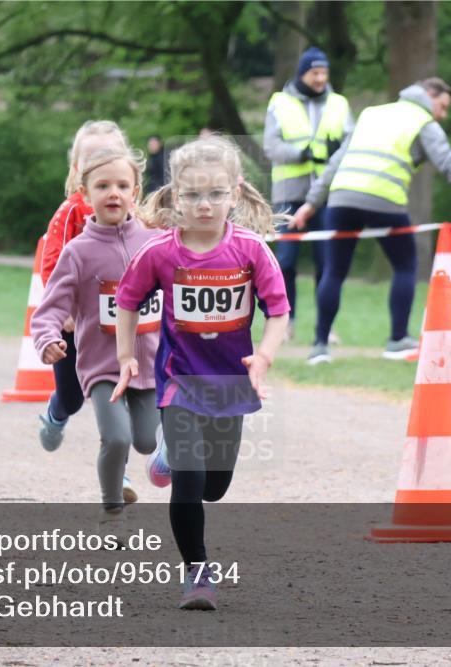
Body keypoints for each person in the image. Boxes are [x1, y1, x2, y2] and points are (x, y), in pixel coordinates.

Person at [111, 135, 290, 611]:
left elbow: (279, 310)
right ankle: (198, 573)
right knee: (191, 481)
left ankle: (166, 457)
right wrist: (127, 356)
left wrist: (265, 357)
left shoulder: (251, 250)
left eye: (215, 194)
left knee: (215, 487)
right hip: (179, 381)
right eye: (192, 195)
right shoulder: (160, 253)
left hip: (231, 385)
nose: (204, 205)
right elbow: (127, 301)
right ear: (175, 196)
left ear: (235, 193)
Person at [294, 77, 451, 363]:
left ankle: (319, 346)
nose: (443, 114)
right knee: (405, 265)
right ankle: (397, 339)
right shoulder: (423, 122)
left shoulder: (371, 113)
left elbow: (337, 160)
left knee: (334, 271)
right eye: (442, 105)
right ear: (429, 95)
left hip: (341, 197)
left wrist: (311, 203)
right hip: (383, 199)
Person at [31, 146, 162, 523]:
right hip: (102, 368)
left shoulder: (153, 242)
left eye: (122, 185)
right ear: (85, 195)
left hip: (149, 365)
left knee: (146, 440)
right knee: (117, 437)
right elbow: (50, 309)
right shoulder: (78, 252)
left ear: (135, 191)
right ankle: (112, 510)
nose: (113, 193)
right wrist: (47, 340)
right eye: (102, 186)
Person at [264, 46, 354, 342]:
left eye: (324, 72)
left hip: (326, 194)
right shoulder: (279, 102)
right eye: (315, 72)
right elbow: (271, 146)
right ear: (303, 73)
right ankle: (286, 322)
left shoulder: (339, 104)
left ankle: (326, 327)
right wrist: (302, 153)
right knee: (286, 262)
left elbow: (351, 141)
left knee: (326, 262)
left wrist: (336, 152)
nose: (320, 78)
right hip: (289, 194)